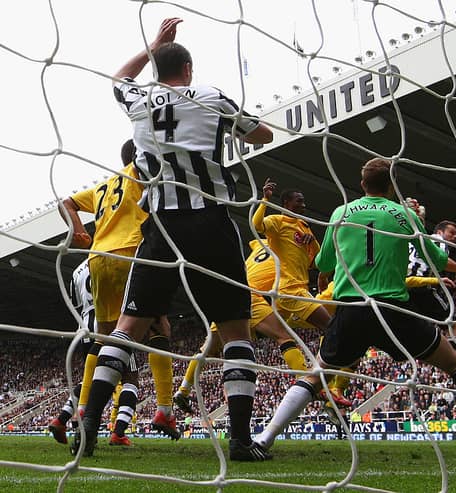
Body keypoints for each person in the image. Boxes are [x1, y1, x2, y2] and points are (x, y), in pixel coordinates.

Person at [79, 18, 273, 460]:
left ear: (157, 69)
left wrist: (151, 45)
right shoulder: (210, 96)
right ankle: (240, 440)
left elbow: (117, 78)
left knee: (127, 330)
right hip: (210, 221)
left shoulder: (140, 98)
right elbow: (264, 134)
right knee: (235, 330)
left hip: (162, 227)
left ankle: (89, 422)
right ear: (188, 69)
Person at [254, 158, 456, 456]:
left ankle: (264, 439)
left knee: (315, 374)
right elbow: (435, 260)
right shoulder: (403, 215)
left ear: (362, 185)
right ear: (391, 186)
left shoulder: (341, 212)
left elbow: (323, 264)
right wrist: (417, 223)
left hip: (353, 310)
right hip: (394, 311)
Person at [60, 139, 177, 450]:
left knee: (105, 338)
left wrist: (79, 231)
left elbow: (66, 202)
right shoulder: (145, 170)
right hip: (133, 252)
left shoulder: (105, 185)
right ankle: (165, 409)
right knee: (159, 327)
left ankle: (84, 413)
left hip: (98, 258)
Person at [173, 239, 309, 414]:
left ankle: (183, 390)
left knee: (207, 350)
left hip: (230, 291)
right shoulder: (289, 250)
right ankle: (306, 381)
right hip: (250, 297)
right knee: (283, 337)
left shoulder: (260, 244)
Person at [252, 178, 352, 408]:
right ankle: (322, 384)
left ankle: (318, 381)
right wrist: (264, 199)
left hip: (299, 290)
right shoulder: (277, 221)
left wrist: (312, 242)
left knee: (293, 335)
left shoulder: (304, 228)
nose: (304, 204)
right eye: (299, 201)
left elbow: (318, 262)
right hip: (289, 289)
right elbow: (257, 225)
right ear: (287, 203)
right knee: (334, 329)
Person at [406, 217, 456, 350]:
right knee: (451, 323)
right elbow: (440, 261)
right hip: (420, 288)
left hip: (402, 287)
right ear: (439, 232)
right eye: (451, 232)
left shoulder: (414, 241)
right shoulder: (438, 240)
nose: (455, 236)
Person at [48, 258, 96, 444]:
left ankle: (61, 420)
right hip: (106, 321)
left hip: (84, 326)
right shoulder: (109, 256)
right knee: (119, 376)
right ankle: (83, 422)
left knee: (89, 378)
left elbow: (76, 305)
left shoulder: (76, 271)